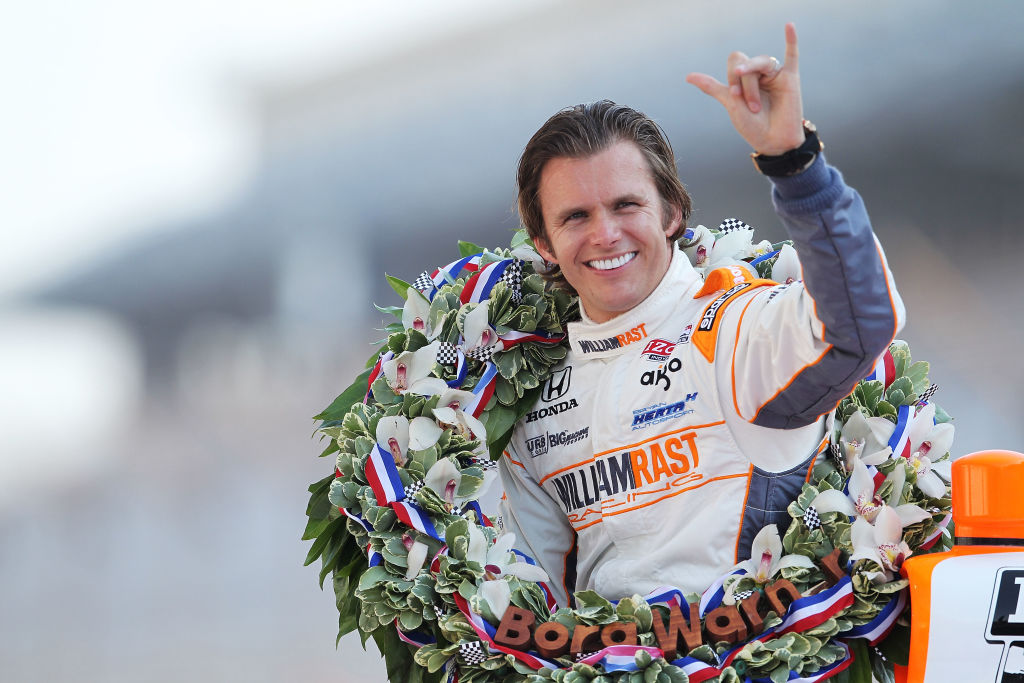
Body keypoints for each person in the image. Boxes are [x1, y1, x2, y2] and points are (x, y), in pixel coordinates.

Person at [497, 24, 905, 607]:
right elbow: (537, 616)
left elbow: (861, 323)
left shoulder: (733, 328)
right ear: (542, 242)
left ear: (672, 213)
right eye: (575, 217)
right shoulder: (530, 403)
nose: (605, 234)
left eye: (626, 205)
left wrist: (796, 167)